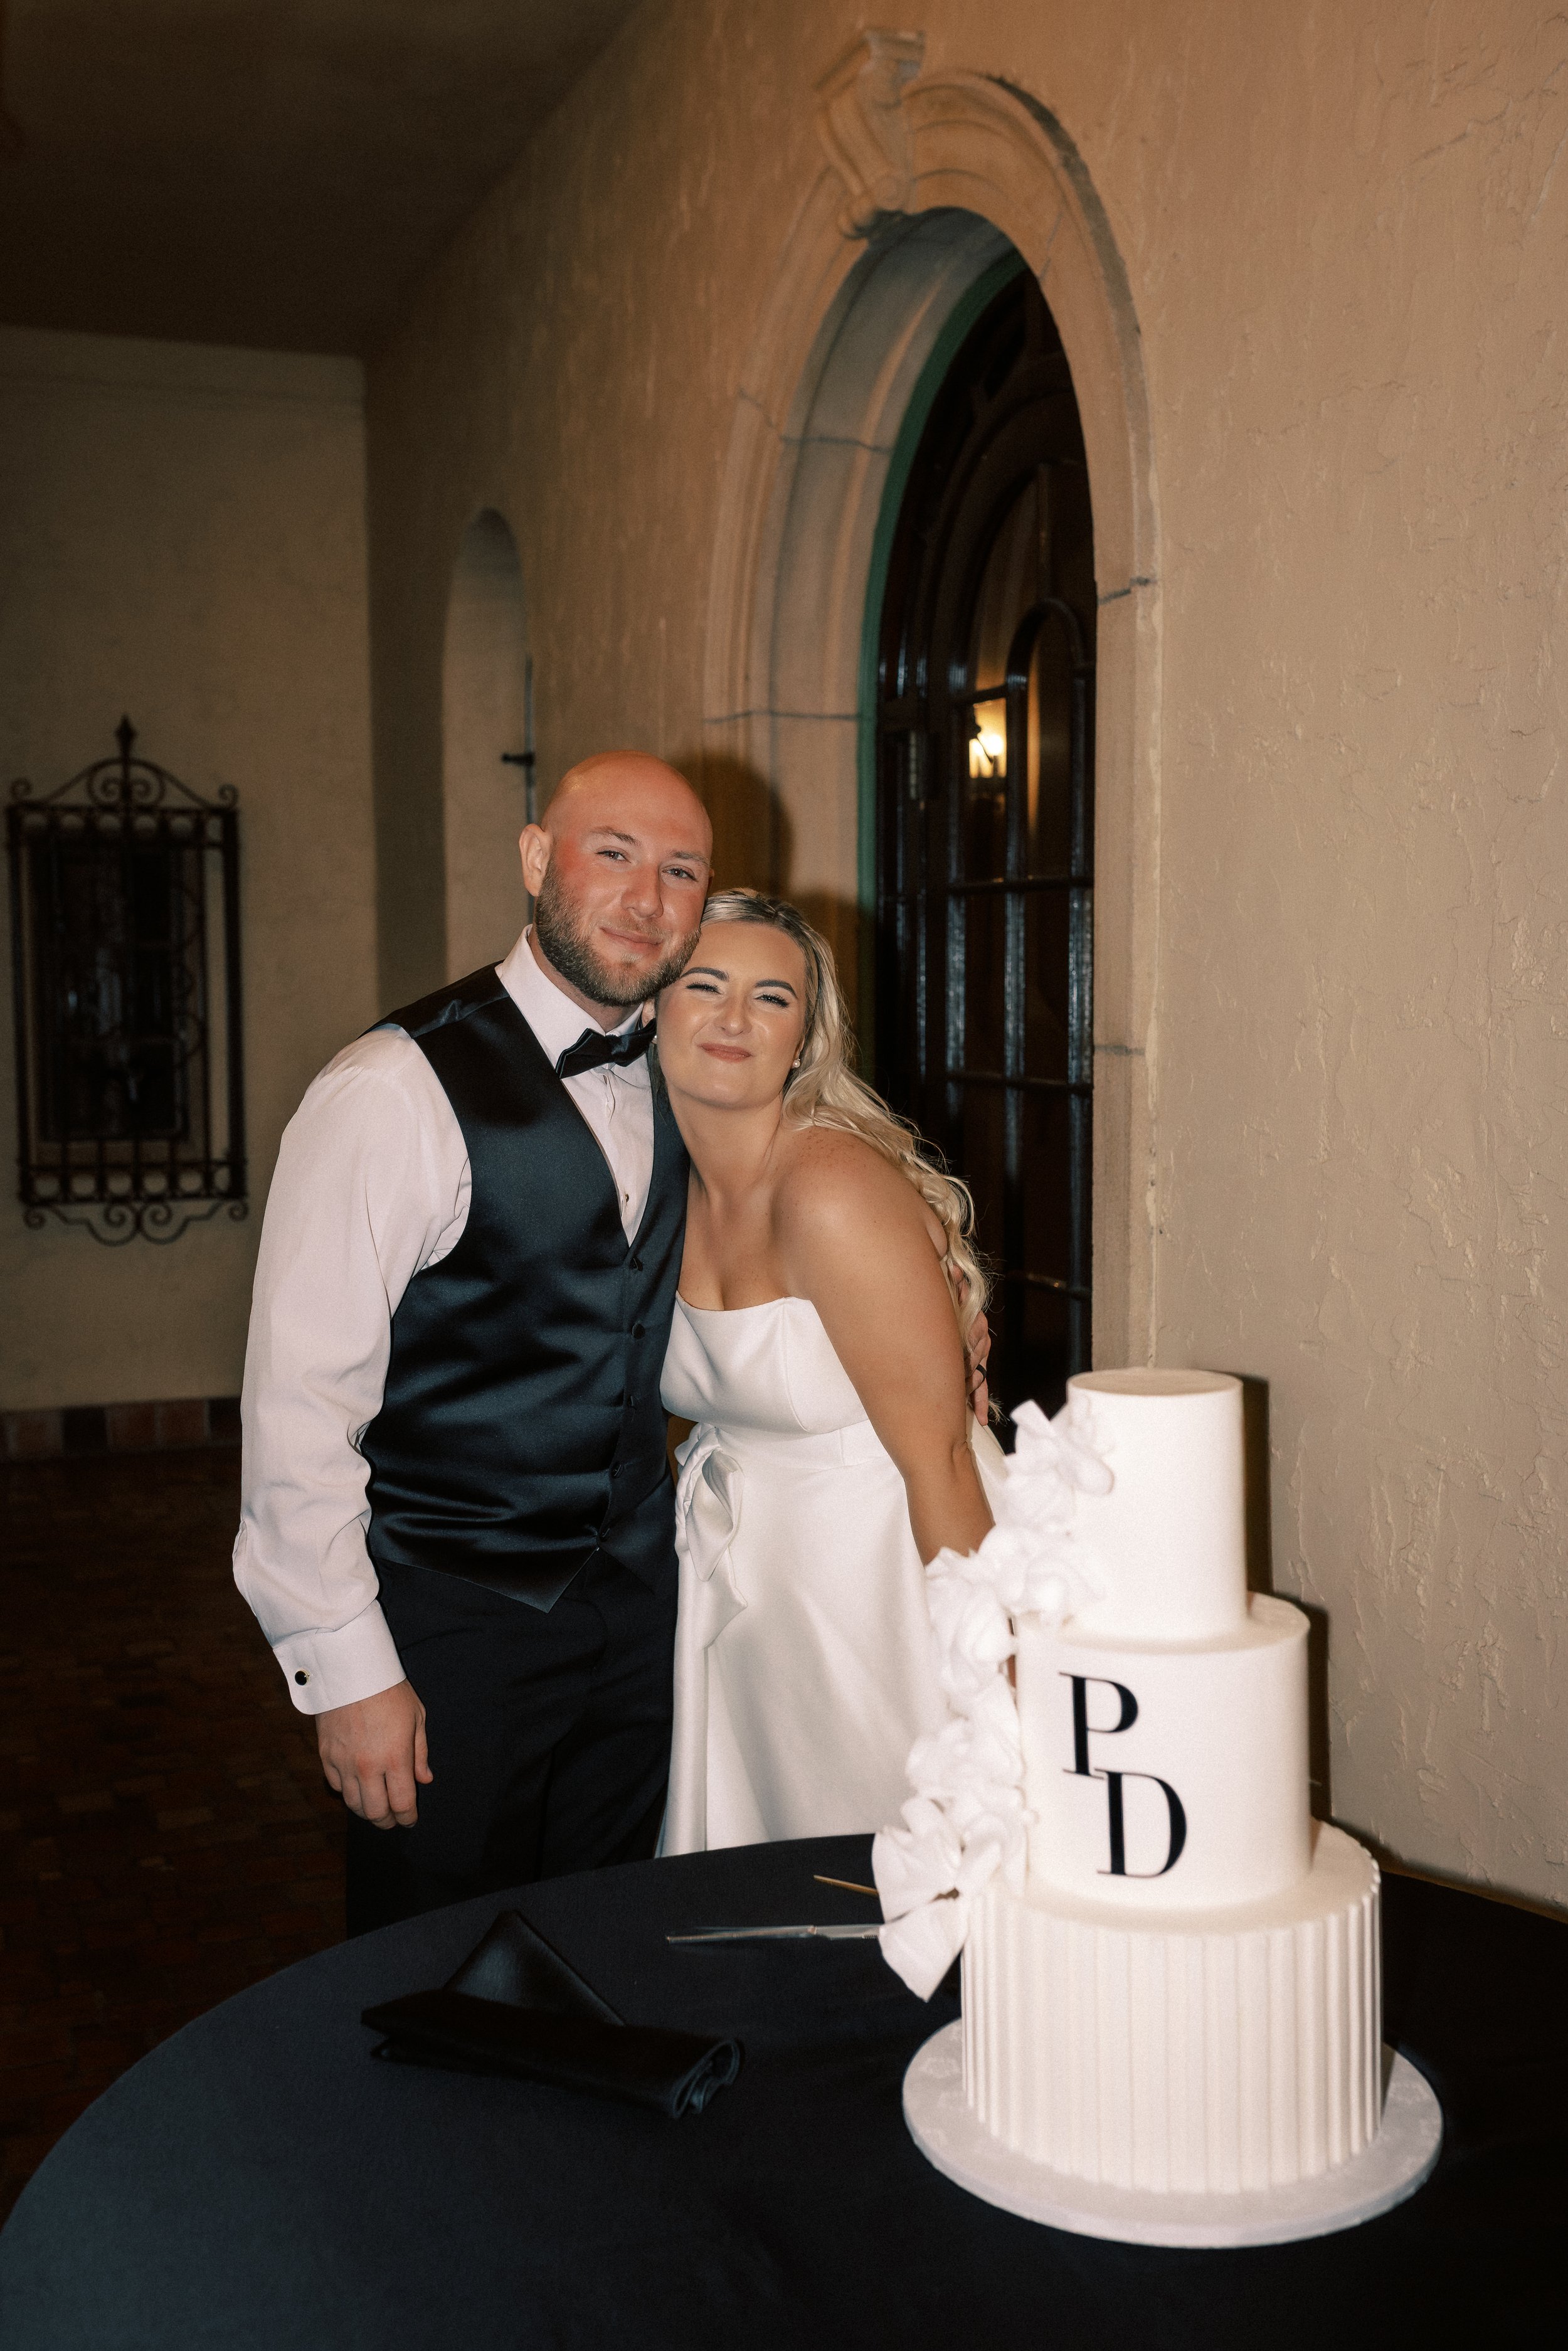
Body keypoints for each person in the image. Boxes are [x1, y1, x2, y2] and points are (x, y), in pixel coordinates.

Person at [234, 751, 712, 1933]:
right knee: (433, 1967)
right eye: (614, 855)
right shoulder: (392, 1090)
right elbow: (298, 1404)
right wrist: (348, 1675)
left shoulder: (698, 1073)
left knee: (605, 1943)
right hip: (454, 1621)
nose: (648, 900)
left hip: (639, 1615)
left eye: (683, 871)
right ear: (538, 859)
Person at [655, 889, 1005, 1852]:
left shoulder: (829, 1189)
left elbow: (941, 1456)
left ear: (804, 1039)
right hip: (761, 1598)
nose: (734, 1020)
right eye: (706, 985)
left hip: (887, 1584)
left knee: (914, 1866)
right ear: (654, 1007)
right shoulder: (656, 1189)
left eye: (772, 998)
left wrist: (998, 1690)